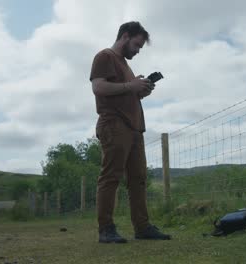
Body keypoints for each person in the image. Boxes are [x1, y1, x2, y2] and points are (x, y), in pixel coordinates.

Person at [89, 21, 171, 243]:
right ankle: (106, 229)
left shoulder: (125, 65)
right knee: (111, 177)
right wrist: (130, 87)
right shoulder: (105, 56)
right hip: (114, 124)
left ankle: (142, 227)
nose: (138, 50)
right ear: (125, 36)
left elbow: (126, 93)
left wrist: (140, 90)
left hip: (134, 128)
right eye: (137, 45)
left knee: (139, 179)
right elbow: (98, 87)